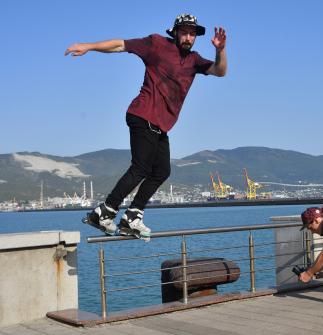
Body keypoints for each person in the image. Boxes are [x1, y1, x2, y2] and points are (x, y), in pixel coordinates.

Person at [65, 14, 227, 239]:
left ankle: (132, 216)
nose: (188, 37)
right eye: (184, 32)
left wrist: (220, 50)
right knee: (140, 168)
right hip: (143, 115)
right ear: (175, 32)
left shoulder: (194, 60)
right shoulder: (156, 44)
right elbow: (120, 45)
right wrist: (89, 46)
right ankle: (104, 212)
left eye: (193, 33)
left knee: (162, 171)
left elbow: (220, 71)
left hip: (161, 124)